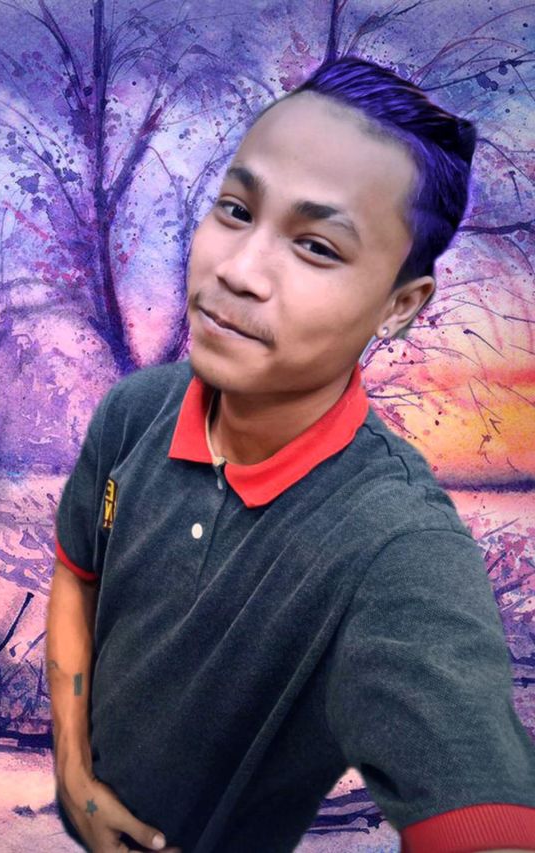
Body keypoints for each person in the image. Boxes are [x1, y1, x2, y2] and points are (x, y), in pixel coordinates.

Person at [46, 56, 535, 853]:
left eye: (316, 246)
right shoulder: (135, 412)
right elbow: (78, 573)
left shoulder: (395, 549)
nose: (238, 271)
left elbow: (488, 817)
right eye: (237, 209)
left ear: (400, 305)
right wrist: (74, 775)